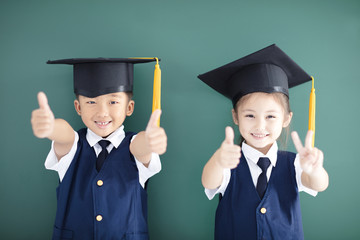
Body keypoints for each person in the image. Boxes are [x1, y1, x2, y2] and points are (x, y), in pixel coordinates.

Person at [198, 44, 329, 240]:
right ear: (235, 117)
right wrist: (217, 161)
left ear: (286, 119)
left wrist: (314, 170)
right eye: (250, 115)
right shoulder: (228, 161)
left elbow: (319, 185)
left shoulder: (294, 163)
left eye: (270, 117)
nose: (260, 126)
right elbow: (208, 181)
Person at [31, 58, 167, 240]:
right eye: (91, 102)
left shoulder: (135, 145)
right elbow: (64, 134)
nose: (102, 112)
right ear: (78, 107)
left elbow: (140, 147)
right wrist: (51, 128)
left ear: (129, 107)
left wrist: (150, 141)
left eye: (113, 102)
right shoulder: (73, 147)